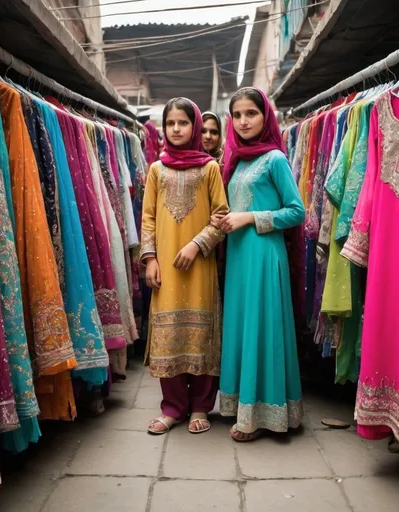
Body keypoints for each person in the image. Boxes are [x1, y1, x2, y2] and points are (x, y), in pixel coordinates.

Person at [213, 87, 305, 442]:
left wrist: (250, 217)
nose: (243, 121)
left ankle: (264, 413)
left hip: (265, 256)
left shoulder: (274, 159)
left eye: (250, 113)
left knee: (261, 327)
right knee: (241, 326)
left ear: (265, 116)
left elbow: (296, 212)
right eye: (236, 115)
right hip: (239, 257)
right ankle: (242, 405)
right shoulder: (236, 160)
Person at [140, 97, 228, 435]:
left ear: (194, 127)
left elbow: (221, 215)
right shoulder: (156, 169)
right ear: (164, 128)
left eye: (183, 123)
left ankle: (201, 406)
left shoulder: (209, 168)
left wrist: (196, 244)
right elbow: (147, 217)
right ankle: (173, 407)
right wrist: (149, 259)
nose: (176, 129)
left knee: (201, 334)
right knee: (169, 335)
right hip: (165, 267)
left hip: (200, 267)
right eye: (171, 123)